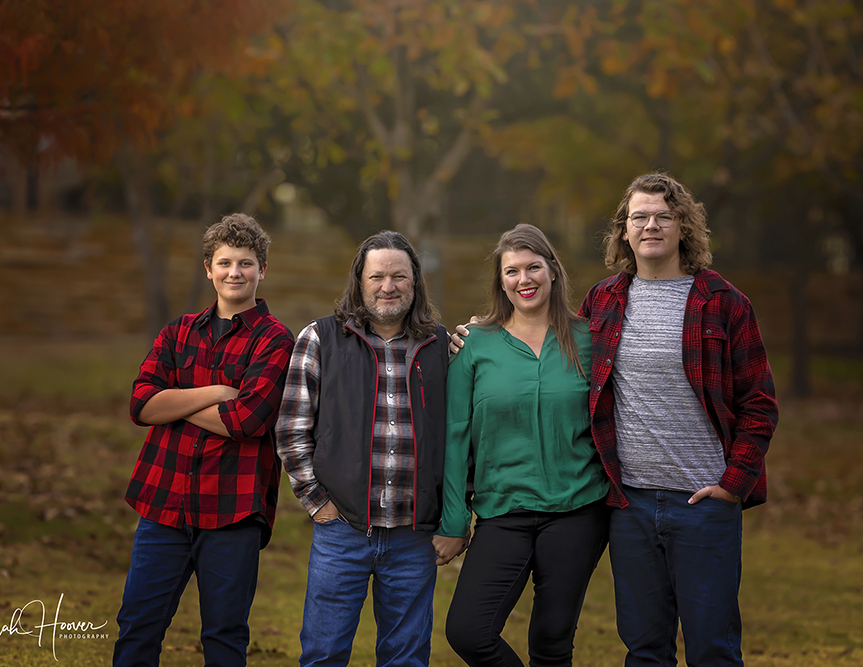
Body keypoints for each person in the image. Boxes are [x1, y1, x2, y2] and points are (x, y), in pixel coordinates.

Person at [580, 173, 779, 666]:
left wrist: (732, 486)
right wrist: (480, 338)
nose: (651, 225)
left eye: (663, 216)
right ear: (624, 231)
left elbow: (759, 403)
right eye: (639, 217)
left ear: (683, 227)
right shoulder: (602, 301)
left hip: (704, 504)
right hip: (629, 506)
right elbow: (557, 367)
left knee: (712, 649)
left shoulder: (725, 303)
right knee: (645, 650)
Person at [113, 213, 294, 667]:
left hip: (233, 510)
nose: (235, 272)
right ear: (208, 270)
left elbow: (247, 420)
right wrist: (215, 393)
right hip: (164, 502)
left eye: (246, 263)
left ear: (262, 270)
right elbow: (140, 406)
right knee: (138, 624)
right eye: (225, 262)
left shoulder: (275, 340)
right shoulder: (177, 332)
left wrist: (173, 403)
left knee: (224, 635)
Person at [435, 224, 610, 667]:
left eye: (534, 267)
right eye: (511, 271)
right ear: (501, 281)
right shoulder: (475, 346)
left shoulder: (590, 340)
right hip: (502, 513)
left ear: (553, 271)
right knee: (469, 632)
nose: (523, 279)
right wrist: (454, 521)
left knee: (552, 642)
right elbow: (455, 438)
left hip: (577, 511)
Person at [275, 230, 450, 667]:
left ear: (416, 282)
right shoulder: (319, 339)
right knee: (323, 654)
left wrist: (454, 514)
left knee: (406, 659)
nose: (387, 287)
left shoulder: (443, 347)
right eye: (377, 277)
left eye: (399, 277)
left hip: (415, 536)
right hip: (342, 531)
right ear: (359, 280)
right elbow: (292, 429)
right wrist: (318, 505)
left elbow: (462, 437)